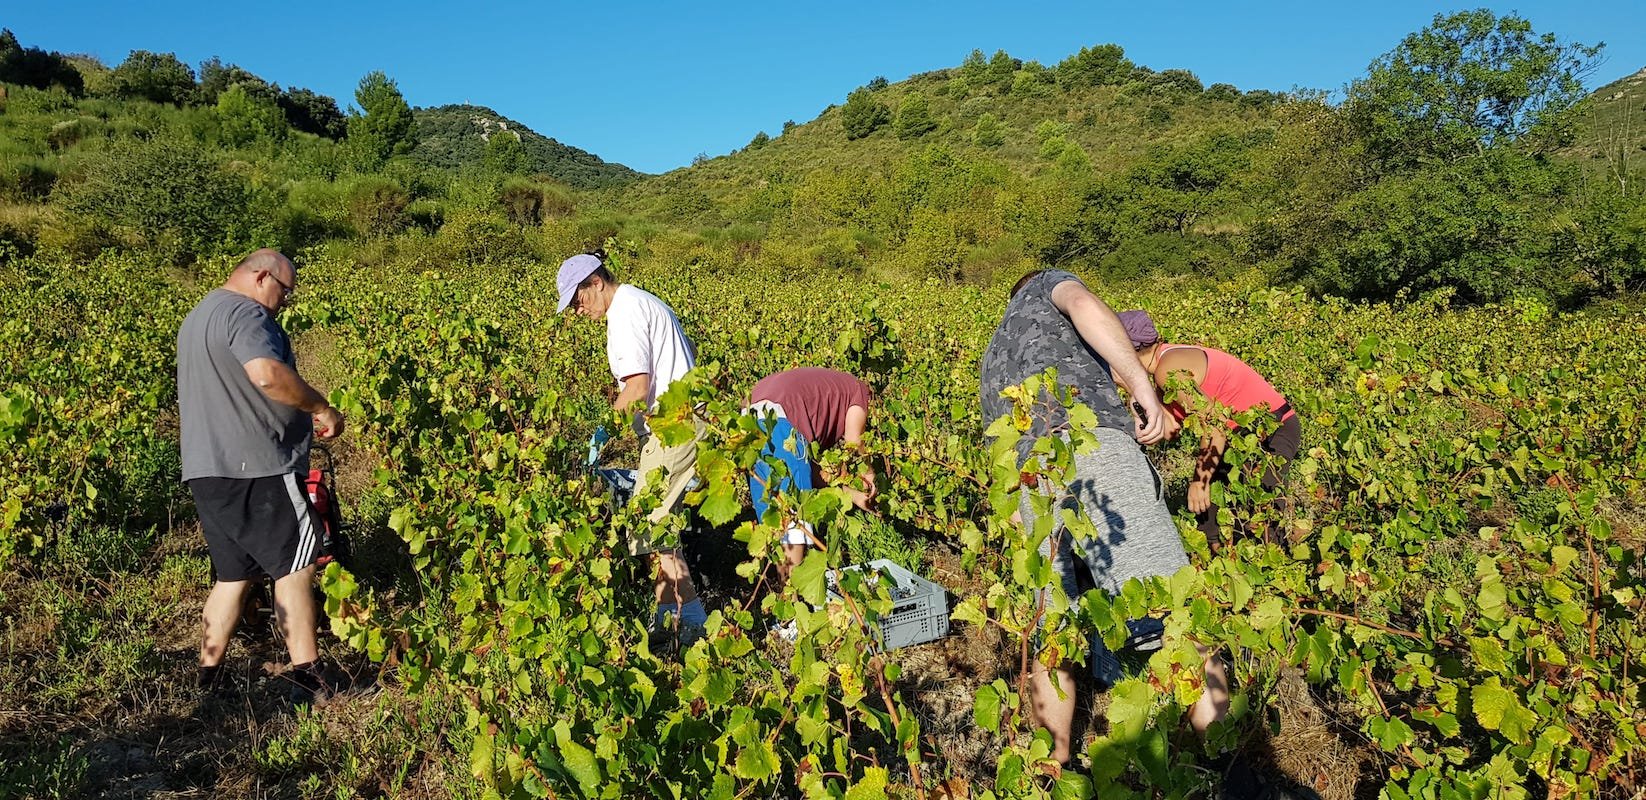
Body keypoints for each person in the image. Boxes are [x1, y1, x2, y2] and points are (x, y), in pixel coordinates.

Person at [979, 269, 1232, 768]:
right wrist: (1144, 390)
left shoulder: (993, 355)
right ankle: (1229, 767)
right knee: (1178, 607)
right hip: (1088, 447)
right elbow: (1085, 305)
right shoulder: (1047, 287)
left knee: (1053, 632)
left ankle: (1055, 767)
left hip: (1025, 477)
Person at [176, 248, 345, 704]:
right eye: (284, 291)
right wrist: (319, 406)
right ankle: (309, 678)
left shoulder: (200, 314)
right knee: (297, 564)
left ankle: (207, 680)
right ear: (261, 276)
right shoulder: (247, 314)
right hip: (259, 466)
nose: (284, 302)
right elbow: (267, 374)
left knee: (233, 575)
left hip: (207, 469)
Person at [558, 250, 707, 646]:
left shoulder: (623, 315)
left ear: (595, 282)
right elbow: (686, 350)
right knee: (658, 528)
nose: (577, 311)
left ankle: (687, 631)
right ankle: (677, 623)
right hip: (684, 421)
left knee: (650, 526)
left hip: (674, 426)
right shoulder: (644, 301)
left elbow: (638, 388)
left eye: (577, 300)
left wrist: (605, 431)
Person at [1119, 310, 1301, 550]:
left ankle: (1276, 575)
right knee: (1208, 520)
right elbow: (1171, 431)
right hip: (1239, 437)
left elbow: (1215, 428)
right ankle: (1220, 569)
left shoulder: (1167, 370)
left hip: (1270, 431)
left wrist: (1200, 482)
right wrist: (1133, 388)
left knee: (1259, 519)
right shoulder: (1164, 365)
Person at [745, 367, 876, 580]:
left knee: (776, 522)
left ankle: (786, 602)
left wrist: (852, 494)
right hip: (782, 418)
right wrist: (868, 475)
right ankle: (794, 603)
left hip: (751, 416)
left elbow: (811, 474)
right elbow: (855, 441)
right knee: (794, 523)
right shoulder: (859, 392)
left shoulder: (828, 394)